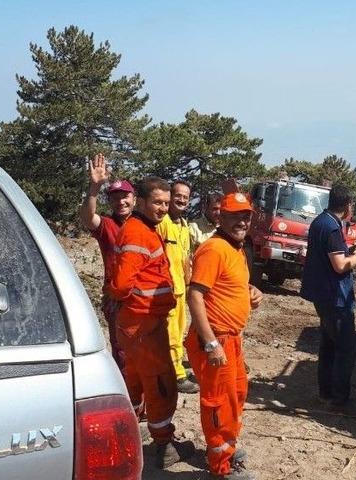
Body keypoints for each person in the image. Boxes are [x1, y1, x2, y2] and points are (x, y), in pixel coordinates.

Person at [106, 176, 193, 468]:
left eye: (166, 203)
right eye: (157, 202)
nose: (163, 208)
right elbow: (120, 284)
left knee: (136, 380)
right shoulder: (137, 233)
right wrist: (125, 301)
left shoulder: (144, 229)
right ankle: (164, 445)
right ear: (141, 202)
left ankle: (126, 435)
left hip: (139, 323)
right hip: (144, 324)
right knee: (161, 384)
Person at [186, 191, 263, 480]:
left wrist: (252, 292)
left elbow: (229, 286)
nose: (241, 221)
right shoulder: (214, 249)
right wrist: (210, 343)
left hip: (232, 339)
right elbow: (195, 296)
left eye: (246, 216)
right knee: (219, 403)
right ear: (222, 216)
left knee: (236, 396)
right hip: (216, 340)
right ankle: (220, 469)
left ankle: (226, 449)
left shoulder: (236, 248)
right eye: (234, 215)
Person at [299, 185, 356, 414]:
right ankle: (339, 400)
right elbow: (340, 265)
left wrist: (352, 249)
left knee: (329, 345)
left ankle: (326, 393)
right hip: (335, 297)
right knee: (345, 348)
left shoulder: (320, 222)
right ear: (348, 206)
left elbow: (332, 254)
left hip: (323, 295)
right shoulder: (333, 228)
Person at [78, 152, 135, 371]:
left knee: (146, 350)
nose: (121, 201)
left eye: (125, 196)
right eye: (115, 197)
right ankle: (129, 398)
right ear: (109, 201)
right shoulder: (107, 225)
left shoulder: (144, 226)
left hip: (143, 299)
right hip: (118, 300)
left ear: (134, 199)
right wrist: (94, 187)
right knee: (121, 351)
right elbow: (87, 217)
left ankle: (144, 401)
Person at [156, 180, 199, 394]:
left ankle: (175, 367)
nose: (182, 200)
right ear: (170, 196)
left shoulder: (182, 225)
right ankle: (177, 375)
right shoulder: (162, 222)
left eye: (186, 196)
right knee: (172, 332)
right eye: (178, 195)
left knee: (180, 330)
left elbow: (185, 258)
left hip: (181, 288)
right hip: (167, 289)